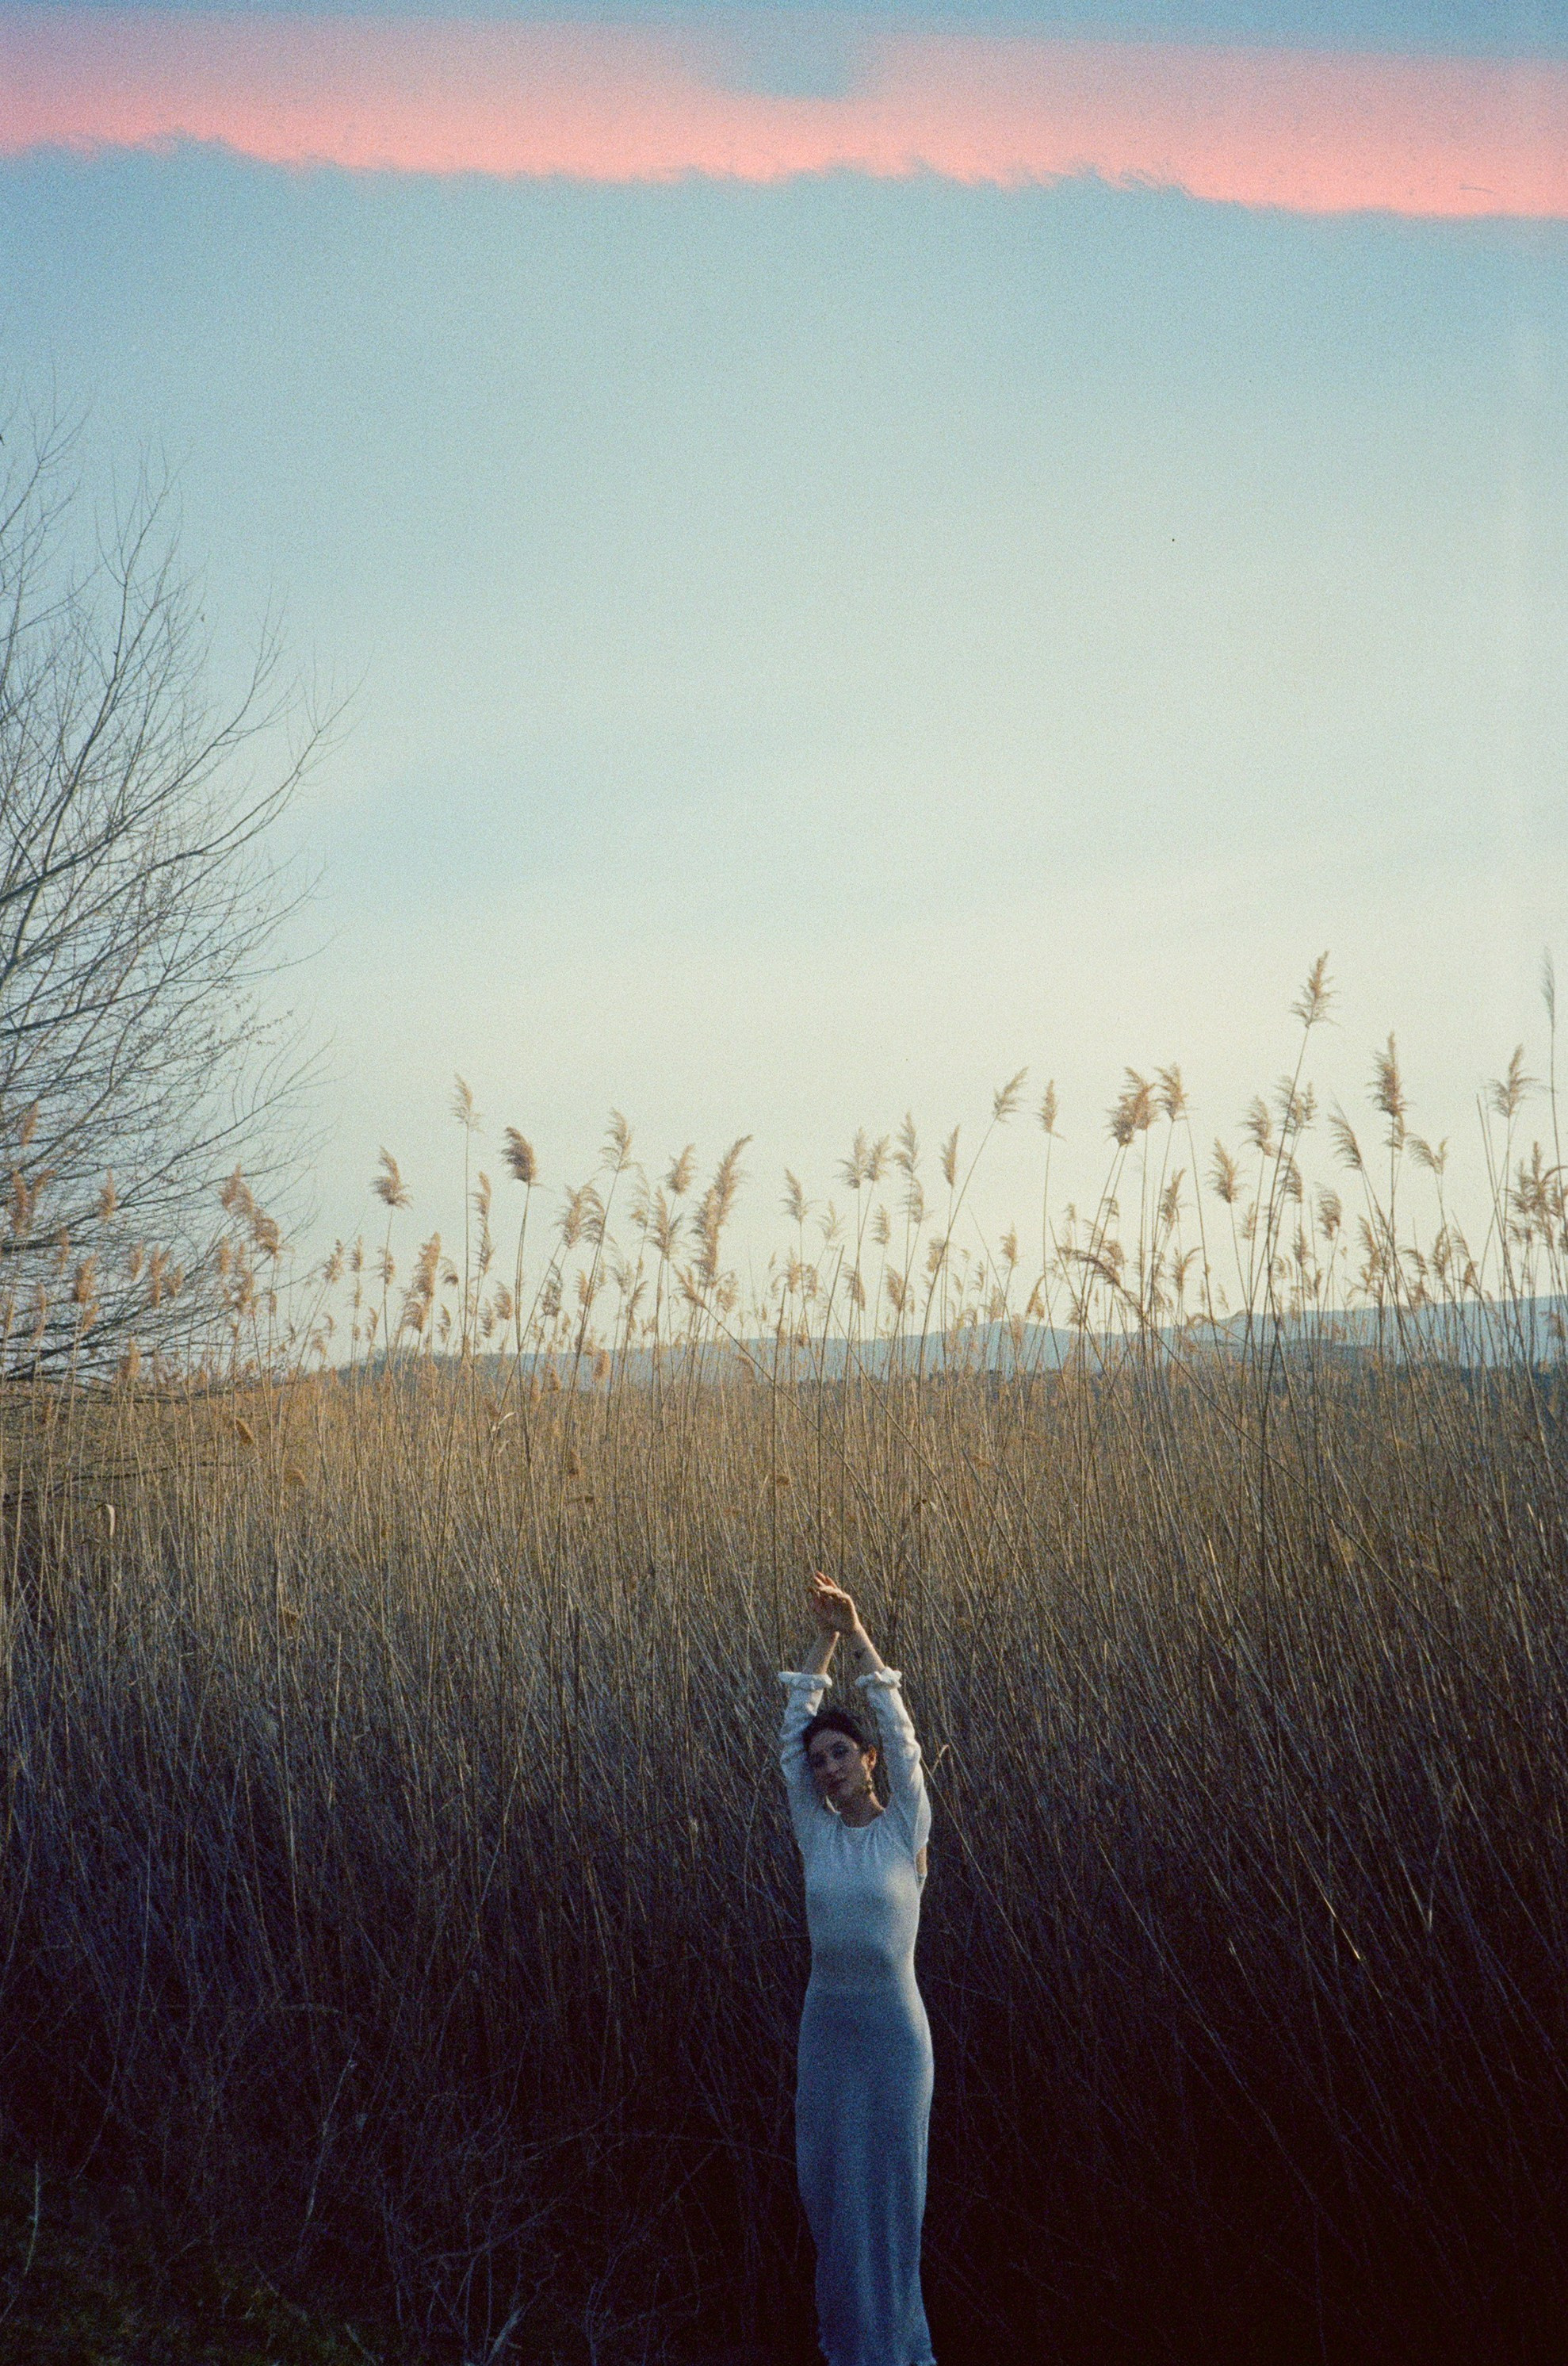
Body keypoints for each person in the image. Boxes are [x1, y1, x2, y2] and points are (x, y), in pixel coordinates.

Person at [777, 1571, 936, 2366]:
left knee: (889, 2200)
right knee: (829, 2195)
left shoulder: (905, 1823)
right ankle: (849, 2349)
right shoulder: (818, 1832)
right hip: (826, 2033)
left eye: (840, 1753)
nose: (827, 1767)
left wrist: (858, 1630)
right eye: (819, 1760)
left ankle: (898, 2352)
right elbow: (789, 1729)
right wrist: (821, 1640)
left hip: (891, 2038)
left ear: (867, 1756)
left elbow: (904, 1733)